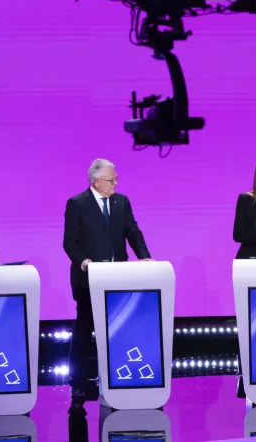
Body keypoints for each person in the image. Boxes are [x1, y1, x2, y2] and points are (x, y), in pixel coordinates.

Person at [63, 159, 152, 409]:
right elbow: (69, 240)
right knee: (84, 329)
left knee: (118, 328)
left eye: (116, 179)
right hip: (88, 278)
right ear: (96, 182)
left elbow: (133, 231)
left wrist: (144, 256)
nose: (115, 183)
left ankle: (119, 377)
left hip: (118, 276)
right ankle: (78, 382)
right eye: (111, 180)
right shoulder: (77, 203)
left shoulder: (121, 202)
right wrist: (83, 261)